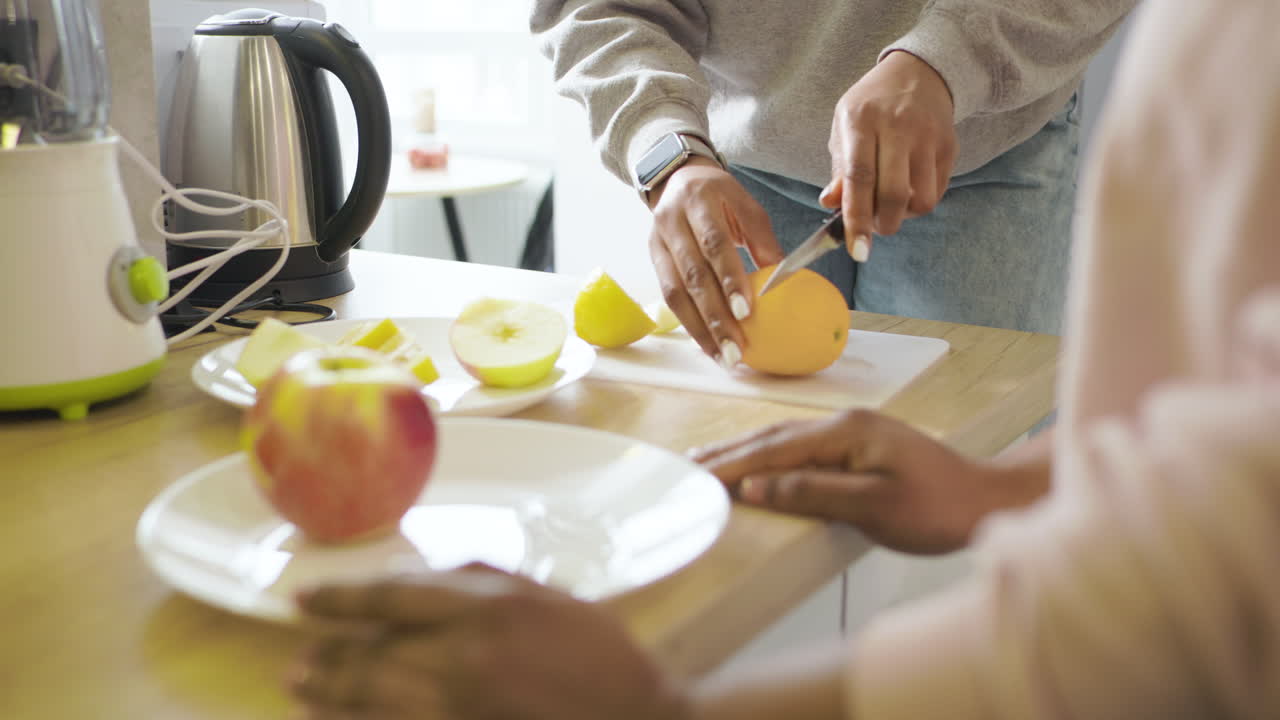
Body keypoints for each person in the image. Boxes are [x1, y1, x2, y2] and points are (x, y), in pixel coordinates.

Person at [283, 1, 1280, 716]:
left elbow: (1198, 598)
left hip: (983, 139)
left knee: (935, 539)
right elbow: (1219, 456)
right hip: (730, 145)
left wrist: (658, 708)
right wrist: (1000, 489)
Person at [527, 0, 1135, 371]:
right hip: (734, 168)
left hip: (981, 149)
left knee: (960, 474)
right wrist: (667, 155)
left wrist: (946, 62)